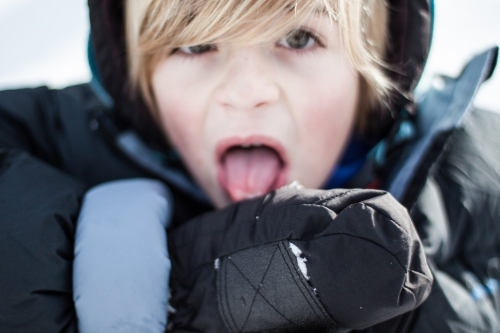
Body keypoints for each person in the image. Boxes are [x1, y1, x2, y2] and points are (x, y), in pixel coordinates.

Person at [0, 0, 498, 333]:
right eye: (195, 44)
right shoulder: (53, 140)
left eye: (299, 38)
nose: (245, 91)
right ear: (140, 83)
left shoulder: (478, 179)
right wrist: (170, 286)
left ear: (376, 63)